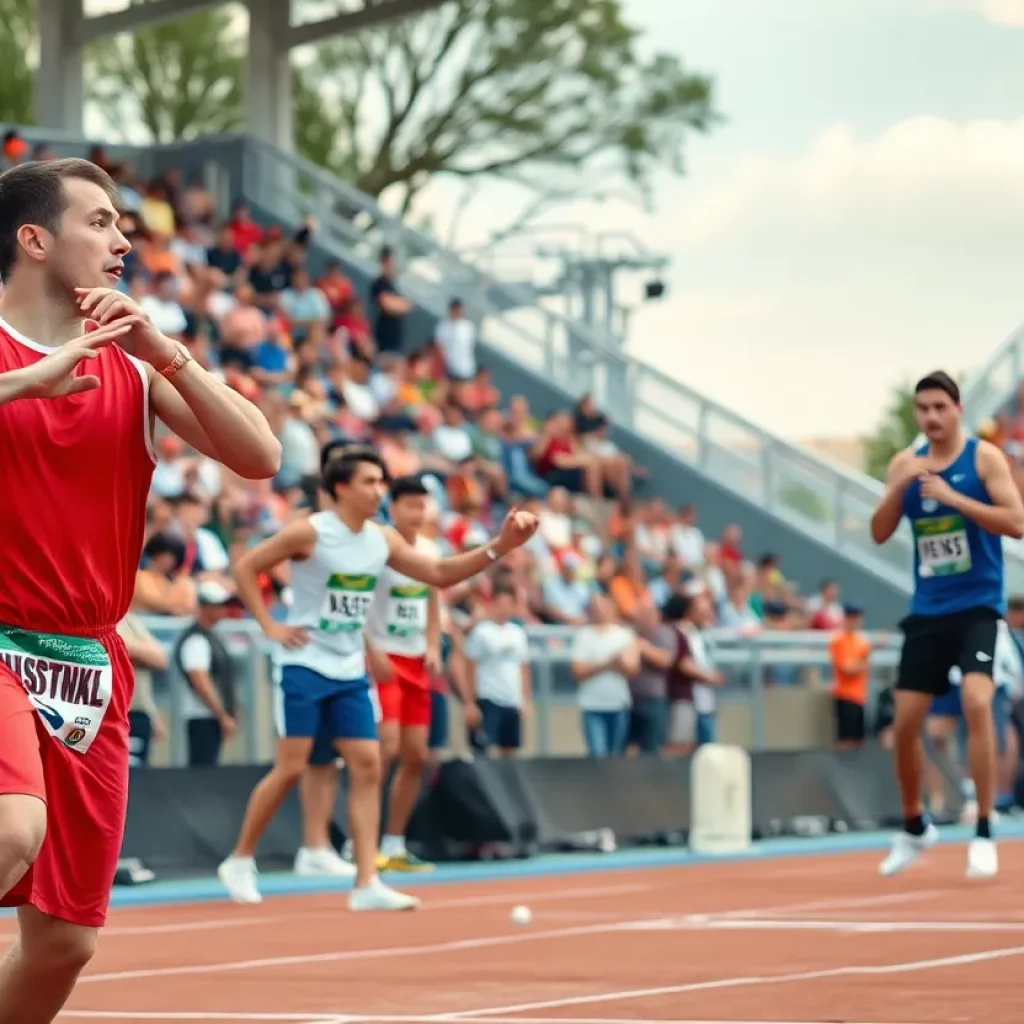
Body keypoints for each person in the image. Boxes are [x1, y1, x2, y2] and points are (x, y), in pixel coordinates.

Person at [0, 157, 280, 1024]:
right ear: (35, 238)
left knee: (63, 943)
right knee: (13, 830)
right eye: (102, 222)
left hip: (90, 660)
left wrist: (166, 353)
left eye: (123, 224)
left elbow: (260, 456)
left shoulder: (135, 366)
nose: (124, 240)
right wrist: (23, 385)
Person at [217, 448, 538, 908]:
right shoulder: (311, 532)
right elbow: (247, 566)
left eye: (382, 482)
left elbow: (439, 573)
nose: (379, 490)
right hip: (304, 663)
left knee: (368, 763)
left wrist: (500, 547)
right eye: (369, 481)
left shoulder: (381, 539)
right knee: (292, 766)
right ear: (341, 488)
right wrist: (270, 625)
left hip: (349, 668)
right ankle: (240, 858)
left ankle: (367, 882)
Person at [870, 370, 1024, 880]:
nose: (932, 417)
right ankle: (915, 826)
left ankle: (983, 827)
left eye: (940, 407)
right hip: (929, 609)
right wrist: (897, 487)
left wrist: (954, 498)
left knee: (979, 702)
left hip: (978, 605)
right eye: (923, 409)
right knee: (906, 722)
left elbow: (1017, 522)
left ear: (957, 410)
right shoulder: (904, 464)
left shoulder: (983, 458)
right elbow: (878, 532)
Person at [364, 475, 442, 871]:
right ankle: (363, 844)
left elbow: (432, 601)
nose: (417, 513)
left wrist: (432, 645)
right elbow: (356, 599)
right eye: (409, 505)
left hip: (416, 664)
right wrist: (371, 650)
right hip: (386, 660)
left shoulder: (429, 550)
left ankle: (393, 844)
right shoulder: (380, 548)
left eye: (422, 505)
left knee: (416, 755)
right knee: (384, 750)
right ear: (392, 508)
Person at [828, 604, 871, 751]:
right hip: (845, 695)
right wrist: (864, 659)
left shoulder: (861, 640)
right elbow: (848, 669)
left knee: (858, 742)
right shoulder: (838, 640)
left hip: (859, 696)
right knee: (845, 742)